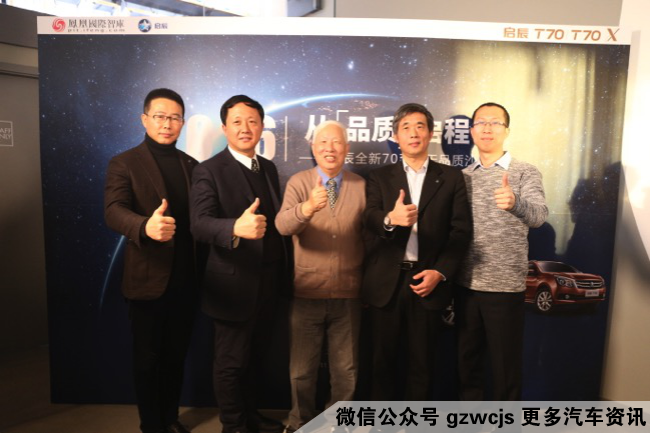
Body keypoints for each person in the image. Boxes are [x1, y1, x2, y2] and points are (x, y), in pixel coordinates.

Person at [190, 95, 289, 433]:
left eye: (252, 121)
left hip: (268, 281)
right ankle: (233, 426)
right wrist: (235, 227)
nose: (245, 128)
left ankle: (251, 416)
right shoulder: (208, 170)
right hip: (232, 284)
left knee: (257, 356)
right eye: (237, 121)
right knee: (231, 362)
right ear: (224, 128)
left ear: (261, 126)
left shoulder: (268, 167)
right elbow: (199, 224)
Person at [362, 103, 472, 400]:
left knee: (422, 365)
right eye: (406, 127)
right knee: (382, 363)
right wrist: (390, 219)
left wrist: (441, 272)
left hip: (428, 282)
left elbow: (461, 232)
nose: (413, 133)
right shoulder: (379, 176)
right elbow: (369, 218)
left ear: (431, 133)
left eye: (420, 126)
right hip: (386, 283)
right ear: (395, 136)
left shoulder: (451, 177)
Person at [104, 88, 199, 433]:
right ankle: (151, 425)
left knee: (175, 357)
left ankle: (170, 418)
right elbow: (113, 211)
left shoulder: (192, 165)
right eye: (160, 116)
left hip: (186, 281)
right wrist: (145, 226)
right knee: (147, 360)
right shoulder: (124, 163)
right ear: (144, 119)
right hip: (148, 281)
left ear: (183, 123)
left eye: (174, 117)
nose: (167, 124)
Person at [275, 121, 365, 432]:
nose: (330, 148)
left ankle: (339, 424)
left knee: (346, 370)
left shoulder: (361, 185)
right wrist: (307, 208)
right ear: (313, 148)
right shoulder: (299, 182)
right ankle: (298, 422)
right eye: (323, 142)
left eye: (337, 142)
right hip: (307, 291)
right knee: (302, 370)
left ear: (347, 149)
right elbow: (282, 225)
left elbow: (370, 238)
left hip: (349, 293)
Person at [455, 102, 548, 401]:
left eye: (495, 122)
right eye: (481, 122)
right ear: (471, 131)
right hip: (465, 285)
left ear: (506, 130)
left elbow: (539, 216)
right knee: (467, 366)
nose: (487, 128)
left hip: (505, 287)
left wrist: (515, 203)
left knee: (505, 370)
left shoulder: (524, 172)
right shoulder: (462, 176)